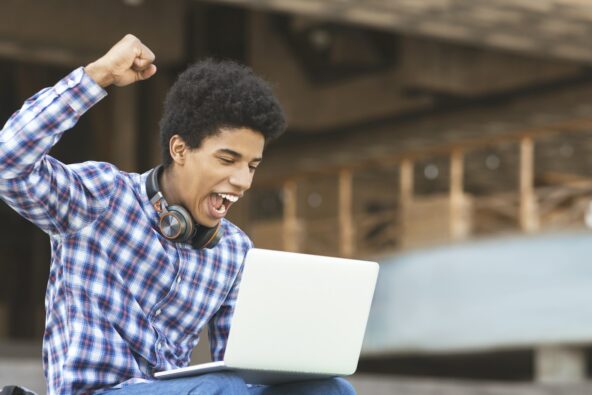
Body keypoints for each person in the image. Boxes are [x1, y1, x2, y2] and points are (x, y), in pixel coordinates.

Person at [0, 34, 356, 395]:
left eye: (252, 166)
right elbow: (8, 162)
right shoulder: (102, 197)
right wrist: (100, 74)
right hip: (97, 392)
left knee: (330, 389)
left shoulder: (234, 250)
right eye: (227, 160)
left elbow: (247, 370)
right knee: (222, 387)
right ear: (180, 149)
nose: (242, 181)